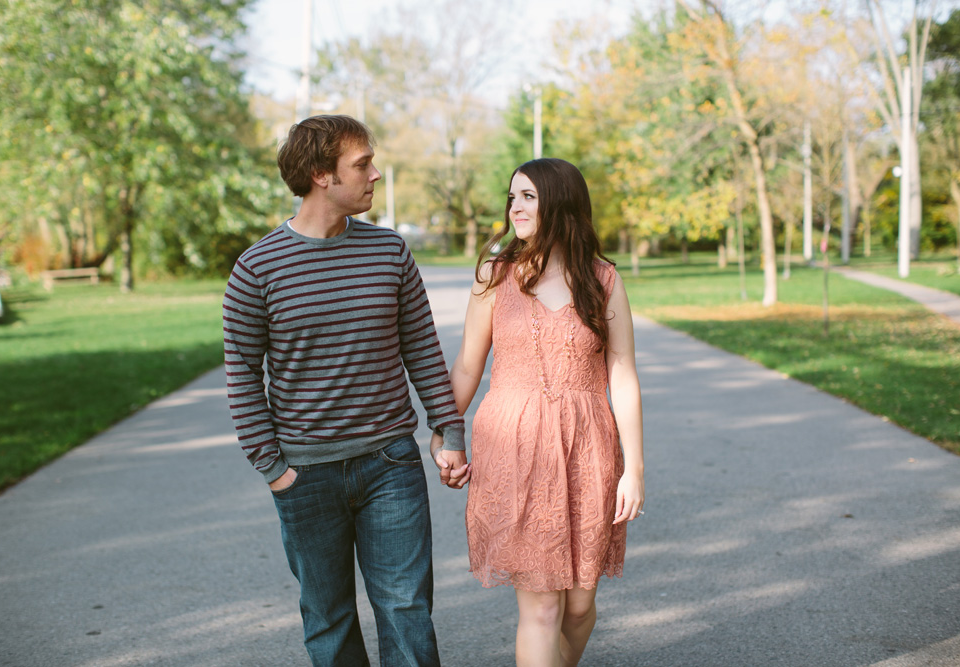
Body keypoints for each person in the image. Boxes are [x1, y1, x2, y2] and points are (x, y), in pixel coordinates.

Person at [223, 115, 466, 667]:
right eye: (362, 164)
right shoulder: (257, 268)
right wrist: (274, 469)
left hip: (391, 464)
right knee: (328, 618)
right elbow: (241, 373)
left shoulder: (390, 253)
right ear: (320, 175)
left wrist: (448, 429)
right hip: (305, 474)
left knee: (406, 609)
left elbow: (422, 349)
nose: (375, 174)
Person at [432, 157, 644, 666]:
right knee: (543, 607)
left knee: (578, 605)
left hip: (587, 448)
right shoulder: (495, 273)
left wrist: (633, 468)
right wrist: (443, 432)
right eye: (511, 197)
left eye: (527, 196)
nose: (515, 207)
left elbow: (623, 373)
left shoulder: (602, 278)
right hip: (514, 446)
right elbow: (467, 365)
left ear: (560, 201)